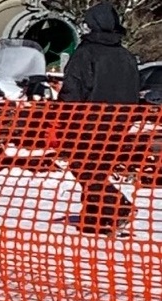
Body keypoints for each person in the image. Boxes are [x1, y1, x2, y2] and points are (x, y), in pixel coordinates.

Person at [57, 2, 141, 235]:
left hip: (86, 123)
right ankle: (94, 217)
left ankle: (119, 207)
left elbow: (73, 89)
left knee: (84, 169)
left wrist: (62, 114)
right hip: (120, 124)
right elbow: (135, 89)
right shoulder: (127, 56)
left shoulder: (86, 53)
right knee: (98, 169)